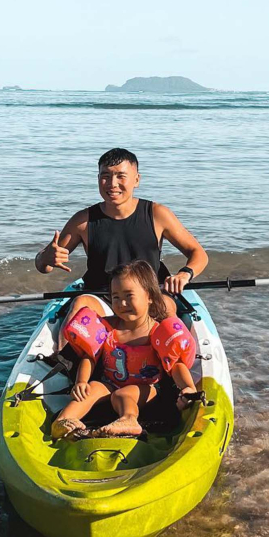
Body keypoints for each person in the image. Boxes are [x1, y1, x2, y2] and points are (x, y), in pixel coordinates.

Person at [33, 148, 208, 349]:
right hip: (103, 296)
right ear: (98, 178)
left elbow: (198, 254)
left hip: (150, 295)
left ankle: (178, 372)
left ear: (136, 180)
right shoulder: (83, 221)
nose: (112, 184)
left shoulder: (157, 214)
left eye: (120, 176)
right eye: (105, 176)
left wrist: (184, 274)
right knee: (79, 306)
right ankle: (68, 369)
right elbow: (41, 266)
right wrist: (48, 257)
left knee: (168, 307)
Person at [51, 261, 200, 439]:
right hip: (109, 382)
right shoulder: (106, 327)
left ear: (150, 296)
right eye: (116, 297)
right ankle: (64, 421)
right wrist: (81, 381)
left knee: (122, 395)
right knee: (90, 390)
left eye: (129, 296)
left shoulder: (157, 332)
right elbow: (89, 356)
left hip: (147, 388)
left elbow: (175, 364)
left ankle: (128, 419)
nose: (122, 303)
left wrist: (188, 388)